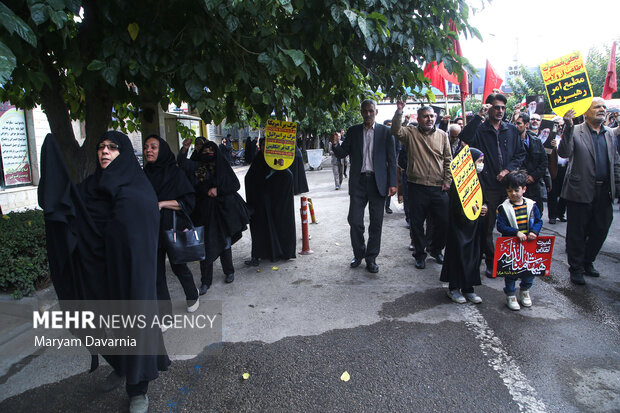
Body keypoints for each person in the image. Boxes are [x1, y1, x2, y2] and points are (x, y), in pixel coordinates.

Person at [38, 131, 169, 413]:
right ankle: (121, 365)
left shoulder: (138, 188)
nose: (104, 152)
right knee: (96, 320)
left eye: (112, 147)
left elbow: (142, 234)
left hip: (132, 273)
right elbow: (73, 215)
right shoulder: (90, 187)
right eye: (101, 147)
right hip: (99, 269)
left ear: (123, 153)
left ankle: (138, 389)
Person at [458, 93, 526, 277]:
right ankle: (490, 261)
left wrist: (508, 170)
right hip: (487, 186)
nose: (500, 111)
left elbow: (520, 154)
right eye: (496, 107)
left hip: (509, 186)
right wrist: (478, 117)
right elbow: (464, 137)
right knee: (486, 226)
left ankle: (511, 261)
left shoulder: (511, 130)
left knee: (514, 223)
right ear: (489, 108)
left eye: (503, 108)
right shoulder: (480, 129)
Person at [330, 99, 397, 273]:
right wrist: (335, 144)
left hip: (378, 183)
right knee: (355, 221)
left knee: (376, 223)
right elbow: (342, 153)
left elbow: (392, 159)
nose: (368, 114)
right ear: (361, 112)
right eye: (364, 111)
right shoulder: (353, 131)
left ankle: (371, 258)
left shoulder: (385, 132)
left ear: (376, 112)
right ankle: (359, 254)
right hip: (359, 183)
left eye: (371, 111)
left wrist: (393, 183)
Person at [558, 98, 620, 285]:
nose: (602, 110)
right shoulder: (576, 131)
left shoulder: (609, 133)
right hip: (580, 190)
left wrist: (617, 185)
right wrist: (568, 127)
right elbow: (564, 152)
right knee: (577, 232)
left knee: (601, 228)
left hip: (604, 191)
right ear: (586, 112)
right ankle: (576, 268)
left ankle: (587, 261)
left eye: (603, 107)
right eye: (597, 107)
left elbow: (615, 160)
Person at [178, 139, 249, 295]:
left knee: (225, 243)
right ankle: (205, 281)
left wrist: (218, 190)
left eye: (210, 151)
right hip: (204, 212)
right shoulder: (197, 167)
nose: (207, 154)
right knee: (205, 245)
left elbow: (234, 185)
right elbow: (182, 163)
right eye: (204, 151)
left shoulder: (222, 167)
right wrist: (184, 148)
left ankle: (229, 271)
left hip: (222, 212)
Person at [392, 101, 452, 269]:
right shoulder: (410, 133)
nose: (429, 119)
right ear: (418, 118)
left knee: (443, 222)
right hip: (416, 186)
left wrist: (447, 180)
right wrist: (399, 112)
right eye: (425, 116)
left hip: (438, 186)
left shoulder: (442, 135)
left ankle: (436, 249)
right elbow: (396, 131)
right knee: (417, 223)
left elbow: (448, 159)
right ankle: (420, 254)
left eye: (432, 116)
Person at [143, 135, 200, 314]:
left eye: (153, 147)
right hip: (151, 230)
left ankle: (192, 294)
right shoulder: (144, 174)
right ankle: (164, 314)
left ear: (163, 151)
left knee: (178, 265)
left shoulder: (175, 173)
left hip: (171, 227)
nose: (148, 150)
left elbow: (189, 201)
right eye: (146, 147)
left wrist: (162, 203)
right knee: (157, 272)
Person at [441, 148, 487, 304]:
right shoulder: (458, 182)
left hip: (474, 227)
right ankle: (454, 288)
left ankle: (469, 288)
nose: (481, 165)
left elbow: (482, 199)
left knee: (473, 257)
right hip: (459, 227)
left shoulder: (478, 179)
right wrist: (469, 210)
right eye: (479, 161)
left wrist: (483, 207)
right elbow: (456, 207)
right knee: (457, 255)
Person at [244, 138, 296, 265]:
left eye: (268, 145)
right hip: (260, 204)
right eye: (262, 145)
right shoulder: (258, 161)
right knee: (259, 228)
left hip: (276, 204)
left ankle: (282, 252)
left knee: (279, 225)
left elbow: (288, 178)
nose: (265, 147)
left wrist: (280, 168)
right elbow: (249, 179)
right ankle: (258, 255)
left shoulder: (279, 162)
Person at [496, 170, 543, 310]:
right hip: (512, 245)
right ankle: (510, 294)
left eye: (516, 190)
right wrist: (515, 232)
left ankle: (525, 292)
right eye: (509, 191)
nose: (513, 194)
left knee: (529, 270)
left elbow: (539, 221)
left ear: (524, 189)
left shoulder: (531, 205)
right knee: (510, 272)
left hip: (528, 244)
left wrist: (534, 231)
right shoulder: (504, 208)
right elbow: (500, 226)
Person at [515, 113, 547, 214]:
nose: (516, 126)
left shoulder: (536, 141)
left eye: (519, 123)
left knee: (536, 212)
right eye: (515, 123)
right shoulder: (510, 143)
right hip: (518, 185)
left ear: (526, 125)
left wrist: (533, 176)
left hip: (534, 184)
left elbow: (544, 162)